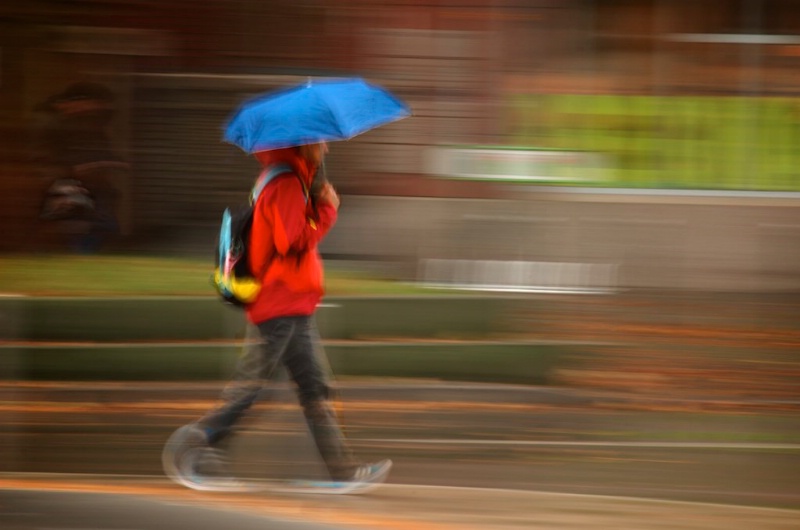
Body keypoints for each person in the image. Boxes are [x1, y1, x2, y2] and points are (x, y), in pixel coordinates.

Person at [163, 141, 391, 492]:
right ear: (304, 145)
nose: (326, 149)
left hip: (290, 302)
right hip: (280, 303)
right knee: (259, 388)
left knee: (312, 388)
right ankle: (199, 443)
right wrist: (327, 210)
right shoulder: (285, 183)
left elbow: (289, 232)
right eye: (321, 142)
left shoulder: (288, 180)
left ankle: (343, 472)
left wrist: (314, 200)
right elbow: (292, 243)